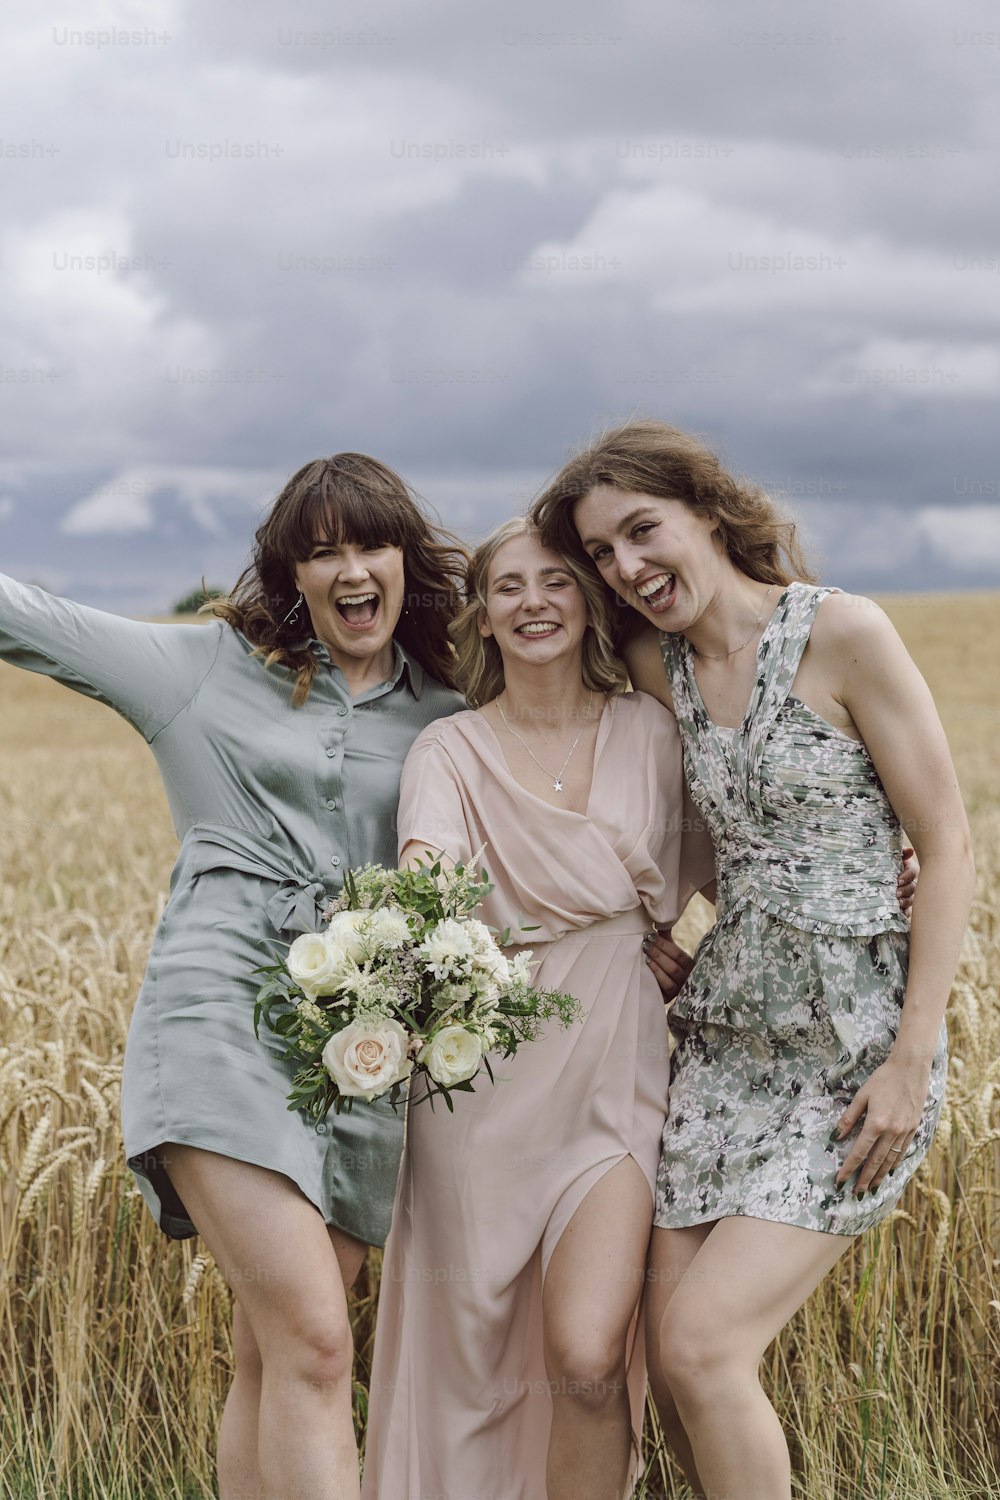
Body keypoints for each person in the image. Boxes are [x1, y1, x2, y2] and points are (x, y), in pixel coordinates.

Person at [0, 453, 467, 1500]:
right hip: (220, 1022)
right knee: (311, 1341)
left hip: (361, 1050)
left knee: (276, 1353)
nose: (351, 568)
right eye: (322, 550)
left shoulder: (447, 704)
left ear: (405, 561)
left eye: (371, 543)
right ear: (289, 575)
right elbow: (23, 617)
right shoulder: (204, 670)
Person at [530, 419, 974, 1500]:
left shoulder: (842, 634)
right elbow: (684, 839)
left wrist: (911, 1058)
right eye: (602, 553)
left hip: (852, 1052)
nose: (626, 567)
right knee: (677, 1378)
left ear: (708, 512)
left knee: (702, 1349)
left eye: (643, 530)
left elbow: (949, 839)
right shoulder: (650, 665)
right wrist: (669, 936)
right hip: (722, 1046)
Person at [361, 517, 716, 1500]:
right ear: (483, 614)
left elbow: (742, 851)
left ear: (588, 598)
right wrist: (410, 930)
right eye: (507, 586)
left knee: (588, 1354)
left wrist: (682, 943)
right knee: (471, 1357)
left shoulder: (649, 729)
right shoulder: (449, 749)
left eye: (554, 580)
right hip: (482, 1068)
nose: (532, 602)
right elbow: (422, 872)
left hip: (615, 1058)